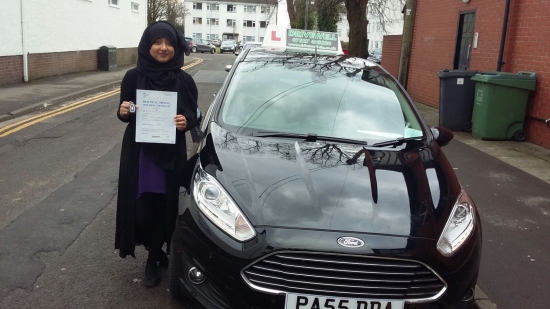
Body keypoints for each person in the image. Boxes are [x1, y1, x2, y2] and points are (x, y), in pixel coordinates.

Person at [114, 21, 197, 288]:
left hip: (170, 152)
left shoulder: (184, 80)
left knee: (165, 208)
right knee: (140, 211)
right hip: (140, 154)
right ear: (147, 44)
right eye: (158, 42)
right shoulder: (132, 77)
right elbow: (124, 112)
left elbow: (192, 115)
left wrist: (186, 122)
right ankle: (155, 247)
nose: (164, 48)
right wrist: (123, 111)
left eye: (169, 43)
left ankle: (152, 259)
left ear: (176, 47)